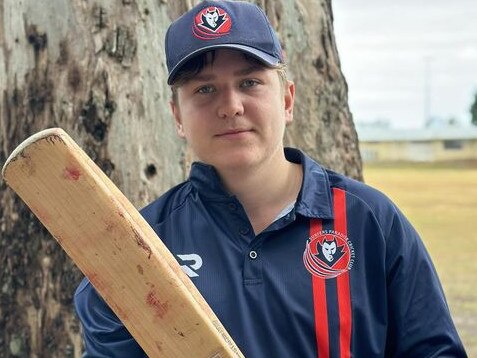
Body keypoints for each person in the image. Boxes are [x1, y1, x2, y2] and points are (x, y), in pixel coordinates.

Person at [74, 1, 467, 357]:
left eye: (249, 82)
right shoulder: (141, 247)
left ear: (287, 100)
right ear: (178, 116)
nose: (230, 106)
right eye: (205, 89)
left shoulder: (370, 221)